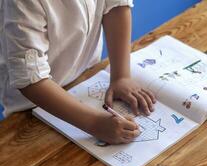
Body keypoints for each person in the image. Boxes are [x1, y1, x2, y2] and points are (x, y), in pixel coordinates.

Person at [0, 0, 156, 144]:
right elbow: (30, 77)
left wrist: (121, 76)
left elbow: (116, 6)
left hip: (83, 77)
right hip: (32, 104)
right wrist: (95, 123)